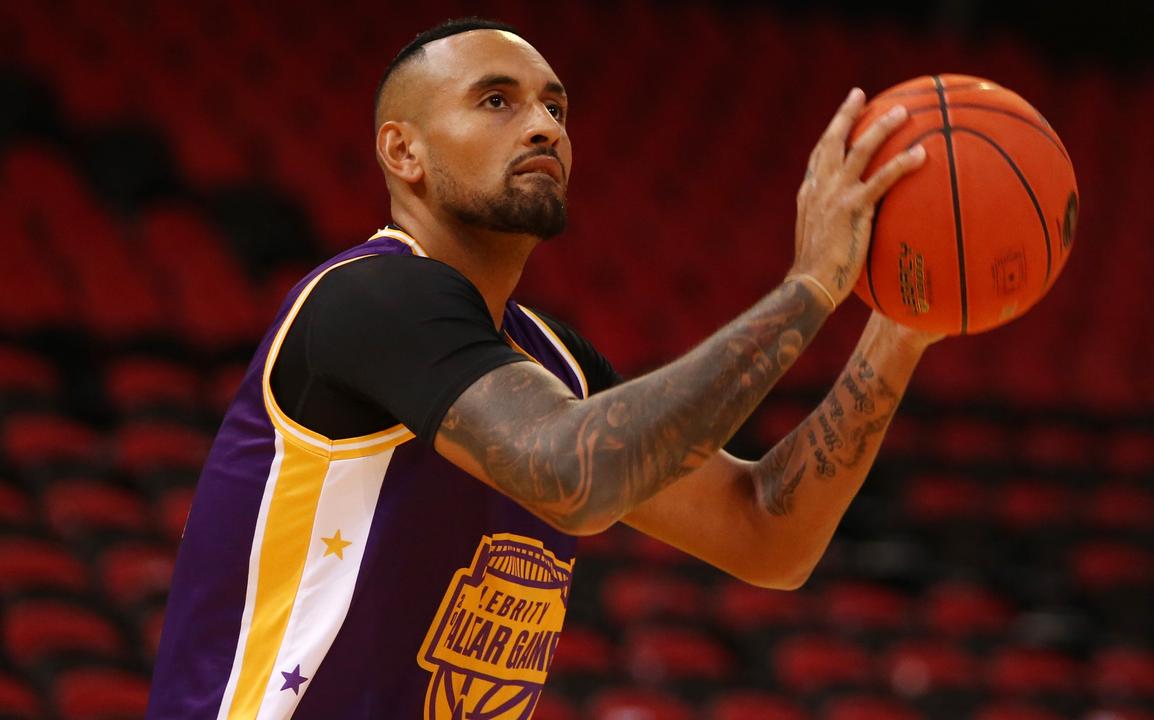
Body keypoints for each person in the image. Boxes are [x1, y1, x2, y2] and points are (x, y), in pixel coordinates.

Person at [146, 16, 937, 720]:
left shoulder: (552, 361)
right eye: (498, 101)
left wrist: (900, 329)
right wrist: (811, 287)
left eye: (556, 107)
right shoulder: (368, 297)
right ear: (403, 150)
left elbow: (770, 536)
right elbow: (577, 477)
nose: (544, 128)